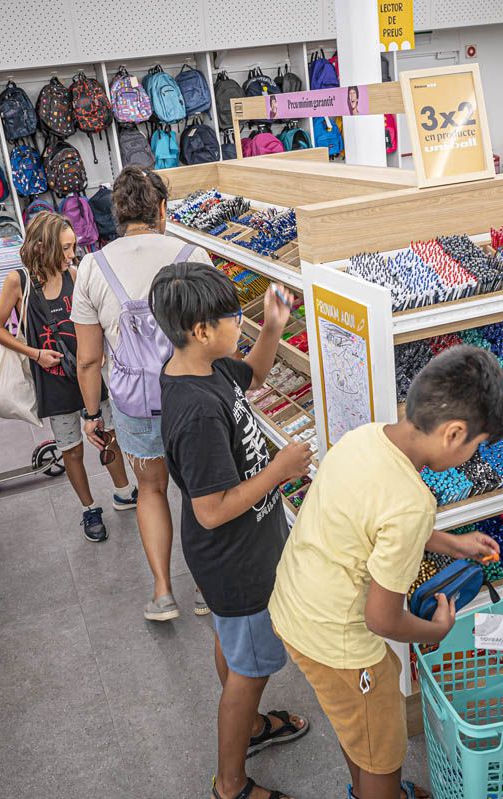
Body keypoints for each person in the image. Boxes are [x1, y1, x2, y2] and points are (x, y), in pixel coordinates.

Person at [269, 345, 503, 799]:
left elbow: (375, 522)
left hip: (294, 606)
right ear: (454, 434)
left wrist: (454, 543)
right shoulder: (411, 502)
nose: (473, 457)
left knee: (357, 728)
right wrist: (434, 627)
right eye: (477, 446)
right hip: (339, 639)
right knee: (382, 748)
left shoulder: (366, 437)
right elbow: (381, 619)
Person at [152, 262, 312, 799]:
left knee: (234, 648)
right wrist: (279, 471)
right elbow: (212, 510)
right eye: (232, 318)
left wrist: (271, 326)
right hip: (235, 562)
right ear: (200, 330)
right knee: (250, 671)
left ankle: (252, 725)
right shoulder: (196, 412)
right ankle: (231, 784)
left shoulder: (205, 368)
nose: (238, 326)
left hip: (240, 554)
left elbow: (256, 375)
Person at [73, 166, 214, 620]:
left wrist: (93, 415)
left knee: (151, 491)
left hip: (137, 403)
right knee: (198, 491)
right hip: (193, 395)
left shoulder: (93, 267)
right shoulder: (194, 254)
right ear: (161, 209)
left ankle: (161, 592)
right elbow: (215, 334)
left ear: (117, 214)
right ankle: (205, 591)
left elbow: (89, 359)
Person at [0, 211, 134, 542]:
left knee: (108, 435)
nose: (72, 254)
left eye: (73, 247)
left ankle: (124, 492)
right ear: (44, 246)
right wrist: (35, 353)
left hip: (89, 372)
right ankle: (89, 509)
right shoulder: (18, 281)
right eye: (65, 248)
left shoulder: (75, 272)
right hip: (53, 380)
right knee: (71, 449)